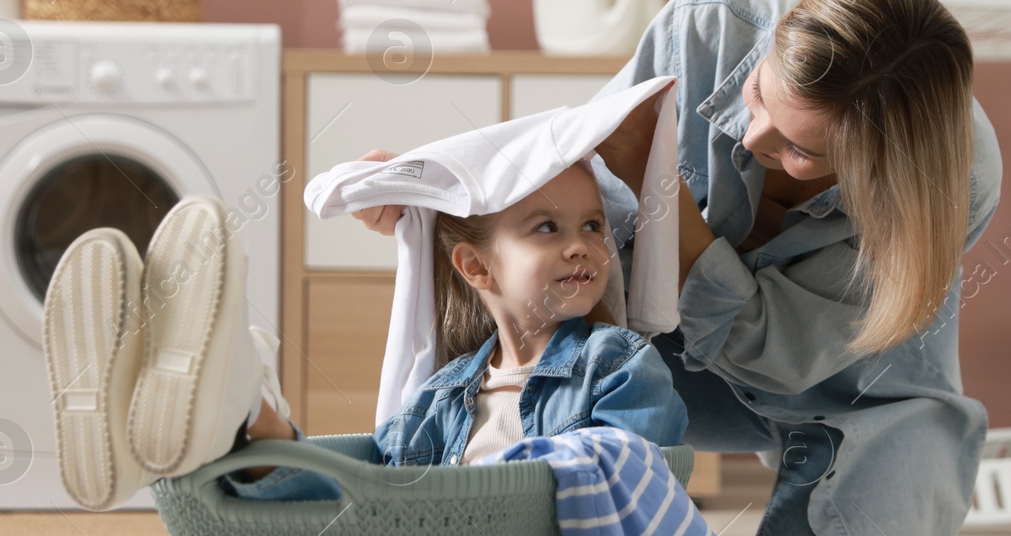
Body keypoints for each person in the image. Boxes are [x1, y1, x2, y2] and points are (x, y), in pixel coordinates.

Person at [356, 0, 1004, 536]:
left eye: (803, 151)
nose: (755, 138)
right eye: (759, 97)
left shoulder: (948, 179)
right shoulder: (706, 30)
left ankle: (748, 515)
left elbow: (774, 356)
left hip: (848, 399)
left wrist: (662, 193)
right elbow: (564, 169)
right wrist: (438, 188)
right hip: (680, 366)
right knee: (514, 280)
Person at [41, 162, 687, 511]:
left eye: (595, 226)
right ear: (477, 267)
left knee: (363, 515)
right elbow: (372, 487)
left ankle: (233, 382)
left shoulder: (617, 365)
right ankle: (231, 412)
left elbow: (632, 472)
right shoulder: (445, 393)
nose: (583, 246)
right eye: (548, 227)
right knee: (341, 493)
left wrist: (471, 495)